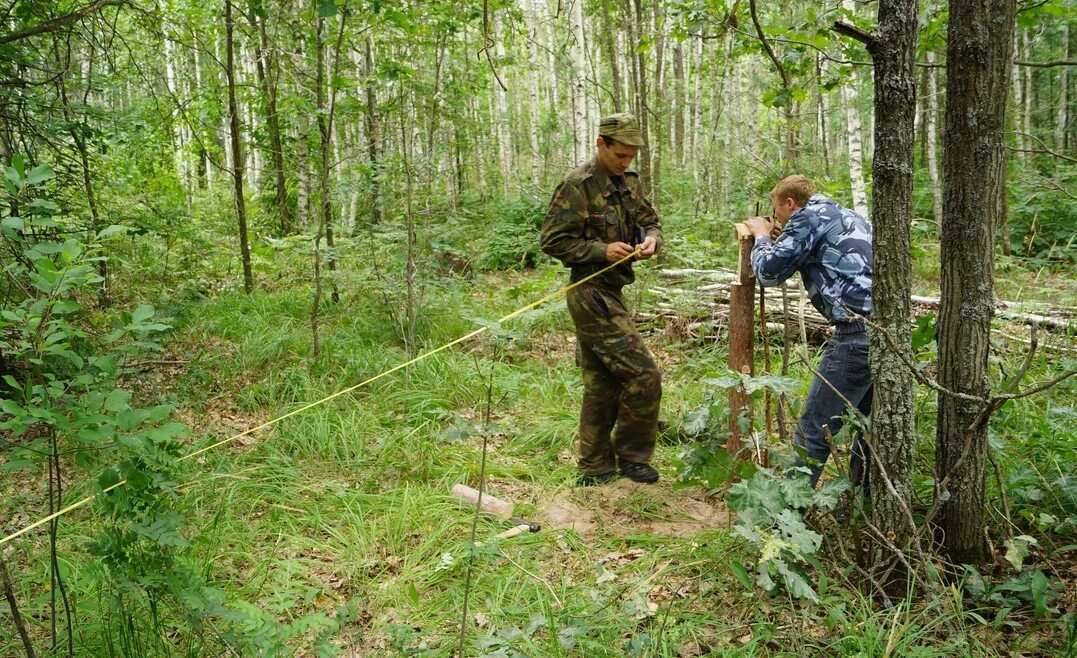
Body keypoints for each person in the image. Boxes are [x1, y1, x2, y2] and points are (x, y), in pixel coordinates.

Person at [539, 113, 663, 486]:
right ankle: (632, 457)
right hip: (590, 293)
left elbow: (651, 221)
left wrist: (652, 240)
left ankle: (595, 466)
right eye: (619, 155)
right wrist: (601, 250)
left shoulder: (630, 183)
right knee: (644, 375)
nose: (625, 163)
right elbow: (552, 241)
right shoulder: (577, 186)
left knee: (602, 383)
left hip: (614, 291)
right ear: (601, 144)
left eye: (631, 157)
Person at [744, 175, 873, 492]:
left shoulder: (806, 217)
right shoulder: (842, 215)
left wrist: (762, 237)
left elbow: (769, 273)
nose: (777, 220)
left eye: (777, 213)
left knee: (815, 429)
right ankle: (865, 508)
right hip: (888, 333)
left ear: (790, 203)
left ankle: (789, 522)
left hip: (856, 336)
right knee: (873, 427)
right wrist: (783, 236)